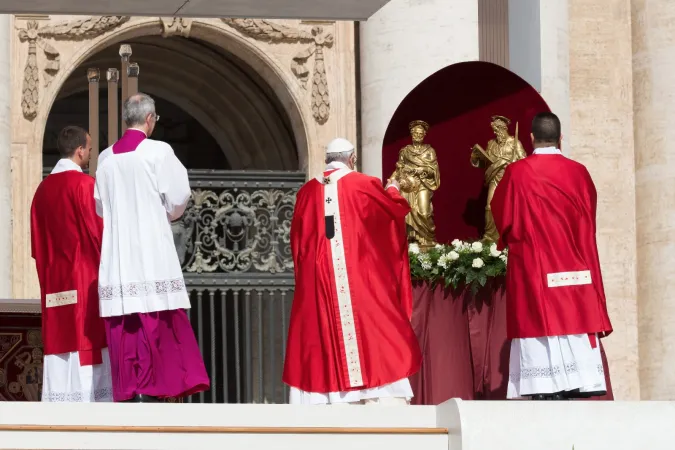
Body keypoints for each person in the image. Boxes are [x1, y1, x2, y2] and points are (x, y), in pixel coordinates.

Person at [283, 137, 422, 405]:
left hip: (318, 279)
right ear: (352, 158)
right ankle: (373, 394)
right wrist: (393, 190)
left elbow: (297, 243)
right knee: (374, 325)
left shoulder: (307, 192)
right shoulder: (364, 184)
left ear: (327, 160)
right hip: (357, 274)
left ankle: (328, 397)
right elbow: (391, 214)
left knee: (319, 330)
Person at [94, 93, 209, 402]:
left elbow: (100, 208)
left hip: (118, 255)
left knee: (125, 322)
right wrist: (165, 214)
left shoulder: (105, 159)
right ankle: (155, 389)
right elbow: (178, 197)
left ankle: (129, 392)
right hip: (151, 250)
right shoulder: (159, 152)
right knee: (155, 317)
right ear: (149, 119)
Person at [491, 112, 613, 400]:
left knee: (538, 316)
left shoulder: (517, 173)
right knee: (574, 315)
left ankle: (543, 387)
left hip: (534, 264)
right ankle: (581, 380)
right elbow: (589, 218)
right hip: (574, 263)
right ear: (561, 138)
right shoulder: (579, 172)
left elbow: (503, 216)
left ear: (530, 138)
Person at [31, 125, 112, 402]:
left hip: (55, 283)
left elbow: (37, 244)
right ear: (79, 151)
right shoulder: (85, 186)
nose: (90, 154)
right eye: (89, 149)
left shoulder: (42, 191)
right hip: (85, 281)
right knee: (86, 342)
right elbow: (103, 236)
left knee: (60, 346)